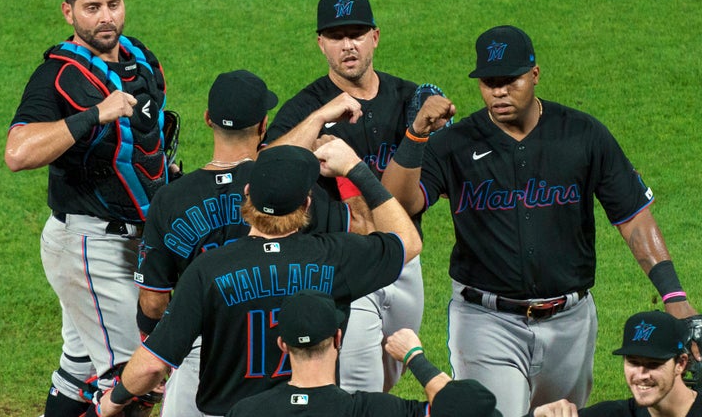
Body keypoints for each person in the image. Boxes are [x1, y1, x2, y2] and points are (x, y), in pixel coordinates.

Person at [381, 24, 698, 417]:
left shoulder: (583, 135)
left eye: (509, 80)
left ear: (534, 73)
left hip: (571, 321)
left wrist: (674, 296)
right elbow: (397, 203)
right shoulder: (455, 143)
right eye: (488, 82)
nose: (498, 91)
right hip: (486, 321)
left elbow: (632, 216)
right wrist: (415, 136)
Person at [95, 143, 422, 416]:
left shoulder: (209, 269)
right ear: (306, 204)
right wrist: (355, 168)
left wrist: (111, 402)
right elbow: (408, 241)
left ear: (247, 194)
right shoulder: (335, 257)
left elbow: (151, 365)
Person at [135, 69, 369, 416]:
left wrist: (160, 350)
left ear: (207, 119)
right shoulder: (290, 192)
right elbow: (364, 227)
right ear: (263, 124)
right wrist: (347, 170)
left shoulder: (170, 199)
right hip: (286, 355)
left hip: (202, 353)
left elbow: (153, 303)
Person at [4, 0, 173, 416]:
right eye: (92, 7)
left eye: (113, 4)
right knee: (135, 381)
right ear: (69, 12)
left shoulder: (142, 60)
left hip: (132, 239)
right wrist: (93, 114)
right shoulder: (57, 75)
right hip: (87, 244)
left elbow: (148, 144)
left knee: (79, 372)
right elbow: (17, 153)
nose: (106, 17)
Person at [265, 0, 429, 393]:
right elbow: (266, 163)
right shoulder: (308, 105)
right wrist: (320, 119)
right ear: (321, 43)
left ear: (375, 36)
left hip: (406, 260)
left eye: (356, 33)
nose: (348, 45)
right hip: (345, 265)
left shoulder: (408, 98)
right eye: (336, 36)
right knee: (357, 391)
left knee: (387, 384)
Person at [226, 289, 504, 417]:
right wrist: (414, 358)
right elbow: (473, 409)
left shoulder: (246, 410)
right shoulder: (375, 410)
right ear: (338, 338)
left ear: (283, 346)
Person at [531, 311, 702, 417]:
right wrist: (539, 414)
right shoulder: (615, 413)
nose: (641, 375)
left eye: (653, 364)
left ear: (680, 363)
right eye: (633, 362)